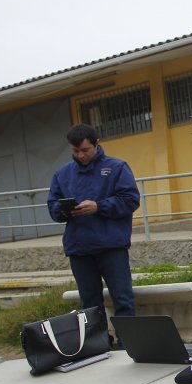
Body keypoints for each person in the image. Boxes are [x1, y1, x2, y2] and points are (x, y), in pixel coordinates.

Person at [47, 123, 140, 343]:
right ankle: (98, 344)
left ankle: (129, 343)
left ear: (96, 144)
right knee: (89, 302)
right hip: (79, 248)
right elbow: (52, 207)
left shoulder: (117, 167)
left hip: (111, 246)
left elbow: (130, 200)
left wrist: (99, 207)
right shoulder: (62, 174)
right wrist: (64, 210)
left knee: (123, 298)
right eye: (75, 151)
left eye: (85, 150)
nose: (81, 155)